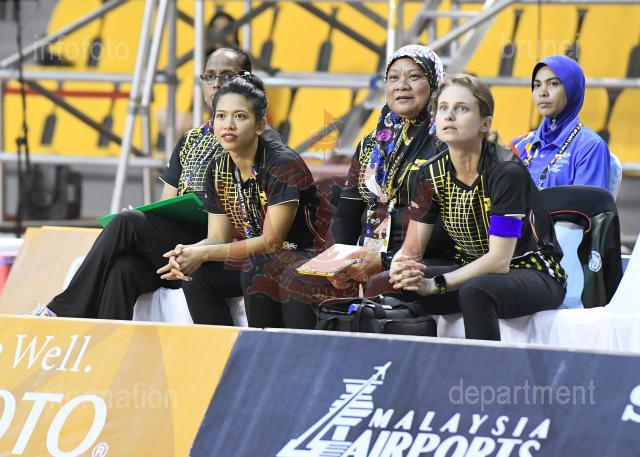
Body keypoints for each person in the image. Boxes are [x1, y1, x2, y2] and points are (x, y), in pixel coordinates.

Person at [31, 48, 261, 319]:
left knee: (127, 222)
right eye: (209, 76)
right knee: (123, 270)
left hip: (220, 247)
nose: (216, 83)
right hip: (179, 241)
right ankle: (109, 345)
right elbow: (166, 205)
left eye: (227, 75)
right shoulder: (190, 139)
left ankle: (62, 310)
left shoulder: (251, 138)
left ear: (246, 81)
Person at [277, 44, 447, 328]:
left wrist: (383, 260)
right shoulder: (371, 143)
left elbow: (445, 225)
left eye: (414, 76)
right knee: (295, 278)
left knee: (382, 282)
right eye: (393, 78)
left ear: (434, 83)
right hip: (364, 255)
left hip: (417, 257)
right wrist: (337, 262)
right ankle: (302, 355)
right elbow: (346, 213)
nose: (402, 85)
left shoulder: (444, 143)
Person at [389, 74, 567, 341]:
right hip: (472, 267)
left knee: (476, 291)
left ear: (485, 123)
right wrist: (401, 269)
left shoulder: (506, 172)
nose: (449, 116)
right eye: (443, 108)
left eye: (461, 108)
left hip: (533, 271)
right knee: (397, 284)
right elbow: (412, 252)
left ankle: (483, 367)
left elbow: (499, 261)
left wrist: (437, 284)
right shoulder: (428, 174)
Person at [158, 73, 319, 328]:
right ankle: (218, 347)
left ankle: (260, 348)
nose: (228, 125)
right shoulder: (218, 168)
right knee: (200, 274)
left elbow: (271, 241)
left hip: (302, 253)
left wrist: (204, 252)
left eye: (240, 116)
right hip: (259, 257)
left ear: (260, 125)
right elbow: (217, 237)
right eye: (221, 116)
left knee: (255, 268)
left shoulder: (282, 164)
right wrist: (189, 252)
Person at [511, 55, 611, 191]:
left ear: (572, 89)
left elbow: (586, 204)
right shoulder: (519, 144)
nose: (542, 93)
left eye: (553, 84)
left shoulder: (590, 147)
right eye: (537, 85)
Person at [156, 12, 242, 149]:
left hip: (231, 119)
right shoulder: (204, 63)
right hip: (206, 116)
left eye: (226, 30)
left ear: (234, 34)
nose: (220, 35)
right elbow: (197, 100)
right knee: (164, 115)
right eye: (216, 30)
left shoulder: (241, 62)